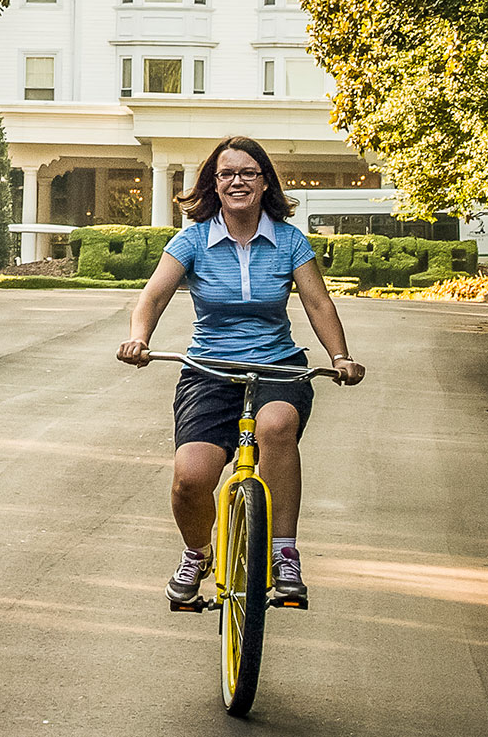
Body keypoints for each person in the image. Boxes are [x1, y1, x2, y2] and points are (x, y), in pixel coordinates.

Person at [115, 135, 365, 608]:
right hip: (208, 369)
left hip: (277, 367)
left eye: (248, 172)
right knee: (191, 478)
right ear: (213, 183)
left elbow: (317, 302)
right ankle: (197, 552)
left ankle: (283, 553)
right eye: (227, 173)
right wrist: (140, 338)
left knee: (276, 426)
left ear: (264, 180)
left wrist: (339, 357)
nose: (237, 181)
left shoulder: (290, 241)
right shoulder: (192, 240)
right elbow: (152, 297)